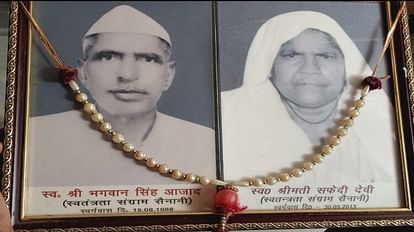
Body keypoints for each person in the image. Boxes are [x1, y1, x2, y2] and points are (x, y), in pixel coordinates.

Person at [28, 5, 215, 186]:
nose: (127, 75)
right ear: (83, 71)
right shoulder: (35, 139)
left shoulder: (205, 141)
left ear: (168, 74)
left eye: (147, 59)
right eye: (108, 57)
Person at [221, 11, 400, 185]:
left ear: (346, 65)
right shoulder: (227, 114)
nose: (310, 68)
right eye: (292, 55)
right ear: (269, 65)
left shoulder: (386, 125)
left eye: (325, 56)